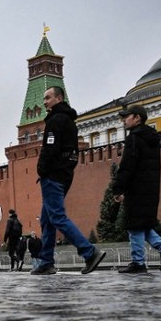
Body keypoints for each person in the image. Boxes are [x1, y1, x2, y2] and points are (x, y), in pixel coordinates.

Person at [32, 86, 106, 275]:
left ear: (58, 98)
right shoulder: (70, 122)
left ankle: (89, 252)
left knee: (57, 217)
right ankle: (46, 261)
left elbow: (50, 149)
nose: (45, 102)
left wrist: (42, 169)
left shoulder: (55, 121)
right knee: (47, 221)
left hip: (53, 176)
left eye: (48, 98)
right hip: (65, 175)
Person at [112, 104, 161, 273]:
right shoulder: (152, 138)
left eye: (127, 117)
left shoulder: (134, 137)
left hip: (136, 189)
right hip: (150, 188)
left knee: (134, 225)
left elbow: (128, 165)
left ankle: (138, 262)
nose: (124, 121)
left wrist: (118, 188)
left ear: (137, 118)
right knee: (141, 224)